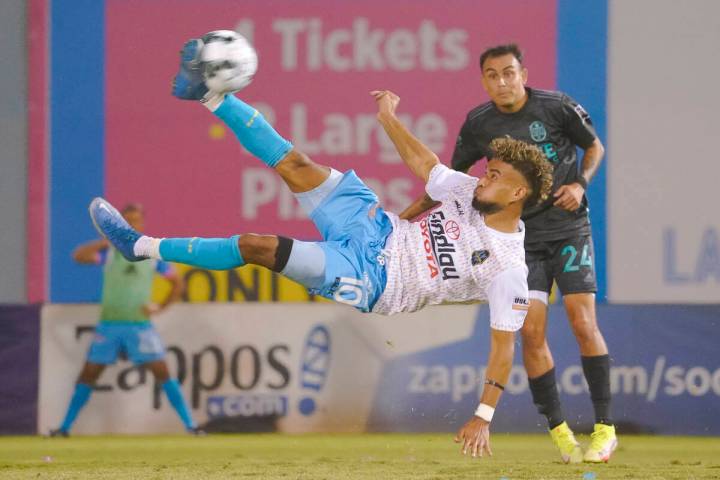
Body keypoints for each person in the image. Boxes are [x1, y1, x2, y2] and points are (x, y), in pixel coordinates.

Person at [88, 35, 553, 457]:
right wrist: (388, 117)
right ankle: (209, 94)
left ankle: (141, 246)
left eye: (495, 177)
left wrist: (484, 415)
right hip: (375, 225)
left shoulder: (509, 267)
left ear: (517, 195)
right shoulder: (467, 191)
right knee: (295, 162)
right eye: (487, 170)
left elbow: (502, 348)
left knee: (257, 245)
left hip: (375, 278)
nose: (482, 177)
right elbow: (423, 161)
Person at [401, 43, 615, 463]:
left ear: (523, 73)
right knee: (531, 334)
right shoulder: (480, 123)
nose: (502, 82)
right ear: (484, 80)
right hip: (519, 243)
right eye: (492, 75)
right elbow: (446, 180)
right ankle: (561, 434)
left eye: (509, 73)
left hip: (568, 228)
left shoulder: (556, 107)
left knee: (582, 320)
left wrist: (580, 184)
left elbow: (594, 148)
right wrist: (401, 220)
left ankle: (605, 429)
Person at [50, 203, 202, 436]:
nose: (131, 224)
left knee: (162, 372)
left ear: (142, 223)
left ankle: (191, 426)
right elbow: (79, 256)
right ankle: (64, 428)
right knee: (89, 374)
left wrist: (160, 308)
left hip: (139, 326)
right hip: (109, 326)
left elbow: (177, 282)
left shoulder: (150, 255)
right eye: (126, 220)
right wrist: (107, 239)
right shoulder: (109, 252)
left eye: (135, 220)